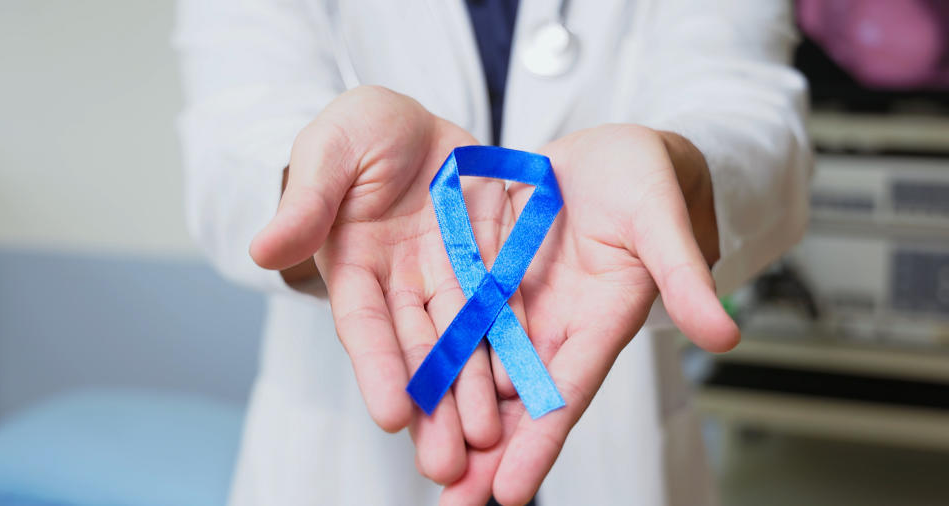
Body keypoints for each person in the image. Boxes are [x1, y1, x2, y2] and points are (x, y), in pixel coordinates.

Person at [174, 0, 810, 504]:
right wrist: (319, 188)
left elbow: (746, 105)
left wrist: (677, 172)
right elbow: (234, 128)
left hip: (615, 430)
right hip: (346, 449)